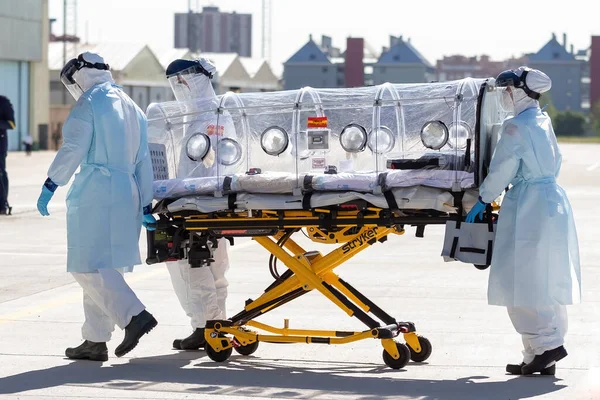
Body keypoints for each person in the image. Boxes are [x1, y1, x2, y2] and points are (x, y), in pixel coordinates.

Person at [36, 52, 158, 361]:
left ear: (81, 75)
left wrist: (52, 182)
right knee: (108, 266)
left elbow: (74, 147)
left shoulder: (89, 103)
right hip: (127, 191)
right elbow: (145, 161)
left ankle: (134, 316)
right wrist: (146, 204)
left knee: (85, 264)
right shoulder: (133, 107)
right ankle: (95, 339)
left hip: (98, 189)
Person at [466, 66, 581, 376]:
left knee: (521, 279)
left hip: (529, 206)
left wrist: (483, 198)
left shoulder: (515, 126)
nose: (504, 95)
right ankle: (540, 352)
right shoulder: (542, 120)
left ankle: (546, 346)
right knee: (545, 276)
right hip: (550, 203)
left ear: (519, 91)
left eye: (508, 89)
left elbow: (503, 168)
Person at [145, 57, 231, 350]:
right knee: (215, 267)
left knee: (191, 265)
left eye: (182, 80)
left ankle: (203, 326)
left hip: (195, 203)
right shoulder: (220, 111)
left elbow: (200, 164)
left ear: (196, 79)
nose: (179, 87)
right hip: (217, 199)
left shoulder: (203, 116)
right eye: (175, 82)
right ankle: (218, 323)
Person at [0, 94, 15, 215]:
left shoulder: (3, 102)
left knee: (0, 172)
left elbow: (12, 124)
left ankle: (2, 204)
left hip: (0, 144)